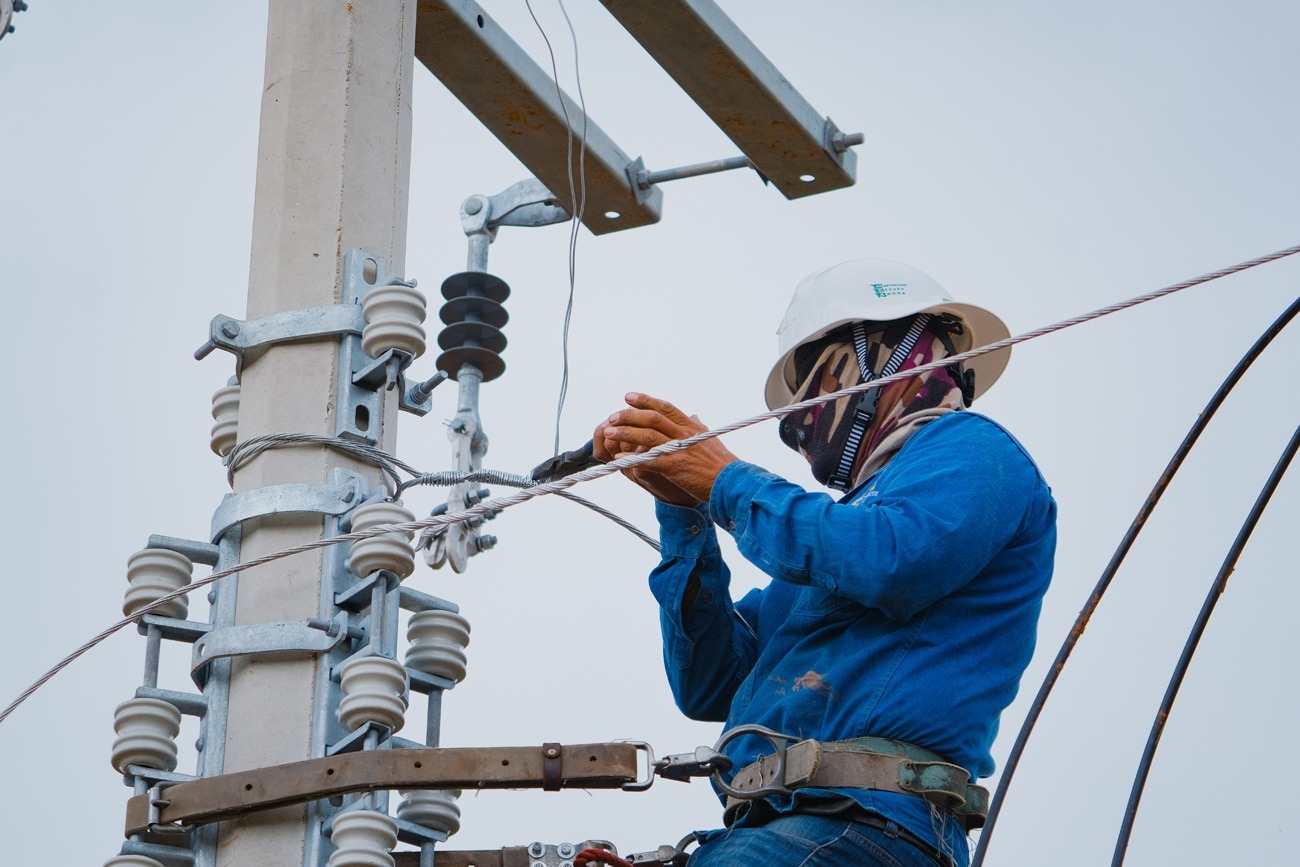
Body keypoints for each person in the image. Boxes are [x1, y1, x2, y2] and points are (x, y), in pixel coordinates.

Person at [593, 259, 1056, 867]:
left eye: (812, 382)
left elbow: (889, 559)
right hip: (782, 830)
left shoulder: (973, 451)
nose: (795, 425)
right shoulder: (835, 541)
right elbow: (706, 682)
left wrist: (725, 480)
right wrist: (684, 512)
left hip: (869, 827)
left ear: (882, 356)